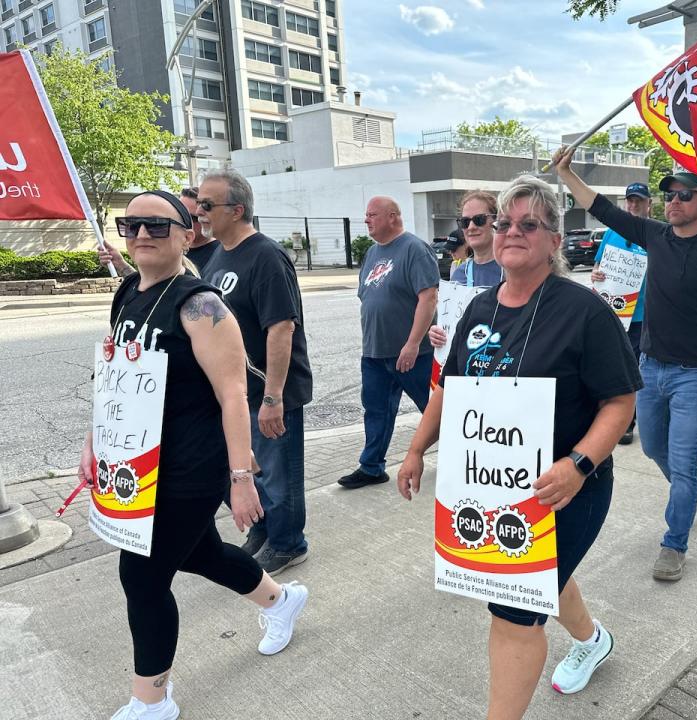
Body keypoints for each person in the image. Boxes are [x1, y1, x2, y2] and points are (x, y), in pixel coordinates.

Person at [397, 175, 640, 716]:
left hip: (568, 489)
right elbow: (448, 389)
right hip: (494, 493)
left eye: (529, 224)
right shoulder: (479, 309)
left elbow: (620, 404)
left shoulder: (585, 312)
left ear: (554, 240)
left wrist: (578, 464)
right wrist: (416, 450)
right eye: (504, 222)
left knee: (513, 611)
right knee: (545, 581)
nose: (512, 232)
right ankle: (593, 639)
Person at [80, 190, 307, 720]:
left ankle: (152, 699)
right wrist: (93, 442)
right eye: (131, 224)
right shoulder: (128, 292)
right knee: (201, 554)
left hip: (191, 465)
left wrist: (241, 475)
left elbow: (233, 395)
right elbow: (115, 378)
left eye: (158, 227)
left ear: (187, 234)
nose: (141, 235)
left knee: (141, 577)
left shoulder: (201, 305)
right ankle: (281, 601)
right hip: (140, 464)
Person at [555, 150, 697, 582]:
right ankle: (690, 486)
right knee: (651, 448)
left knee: (681, 463)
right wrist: (566, 173)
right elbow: (601, 208)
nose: (674, 202)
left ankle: (674, 543)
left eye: (684, 195)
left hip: (696, 375)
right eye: (670, 196)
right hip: (648, 368)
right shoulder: (655, 236)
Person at [199, 169, 313, 575]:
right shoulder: (218, 254)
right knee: (246, 472)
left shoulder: (265, 255)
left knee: (279, 474)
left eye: (208, 205)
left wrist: (273, 397)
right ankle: (264, 531)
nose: (200, 211)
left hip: (268, 391)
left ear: (237, 209)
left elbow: (281, 328)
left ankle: (287, 544)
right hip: (234, 392)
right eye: (199, 203)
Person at [339, 196, 440, 490]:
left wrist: (412, 343)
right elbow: (367, 296)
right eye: (366, 214)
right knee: (376, 411)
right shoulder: (372, 253)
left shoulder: (414, 249)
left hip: (414, 353)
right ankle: (371, 467)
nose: (366, 220)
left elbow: (428, 298)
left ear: (393, 217)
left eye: (372, 214)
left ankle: (464, 458)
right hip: (375, 352)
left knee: (434, 410)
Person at [591, 181, 651, 446]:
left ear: (649, 203)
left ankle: (628, 422)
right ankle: (609, 417)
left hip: (643, 316)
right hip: (614, 314)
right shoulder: (611, 233)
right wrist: (596, 274)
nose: (634, 204)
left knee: (635, 370)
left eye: (639, 200)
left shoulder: (656, 233)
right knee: (610, 367)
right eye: (630, 200)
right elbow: (597, 267)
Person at [427, 190, 503, 350]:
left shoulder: (512, 269)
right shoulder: (460, 272)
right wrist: (437, 333)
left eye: (479, 220)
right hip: (467, 364)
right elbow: (450, 323)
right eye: (465, 222)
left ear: (496, 221)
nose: (471, 227)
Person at [98, 187, 222, 277]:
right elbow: (154, 289)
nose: (142, 234)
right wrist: (121, 265)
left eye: (157, 224)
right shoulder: (167, 253)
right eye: (133, 224)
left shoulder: (223, 255)